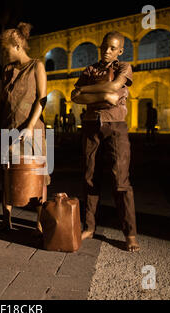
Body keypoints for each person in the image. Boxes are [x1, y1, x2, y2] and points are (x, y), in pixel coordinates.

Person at [71, 31, 139, 252]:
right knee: (90, 177)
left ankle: (129, 233)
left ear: (120, 50)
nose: (107, 51)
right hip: (91, 126)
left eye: (112, 48)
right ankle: (89, 227)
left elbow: (112, 87)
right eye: (104, 47)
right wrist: (105, 96)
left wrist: (89, 90)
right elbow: (75, 96)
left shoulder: (124, 67)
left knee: (120, 180)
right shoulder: (90, 69)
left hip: (115, 128)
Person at [0, 22, 50, 233]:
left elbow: (42, 99)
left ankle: (39, 221)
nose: (4, 54)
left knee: (39, 176)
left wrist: (29, 127)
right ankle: (6, 219)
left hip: (32, 130)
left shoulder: (37, 66)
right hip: (10, 130)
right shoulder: (7, 70)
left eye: (6, 49)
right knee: (7, 173)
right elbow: (3, 102)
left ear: (17, 46)